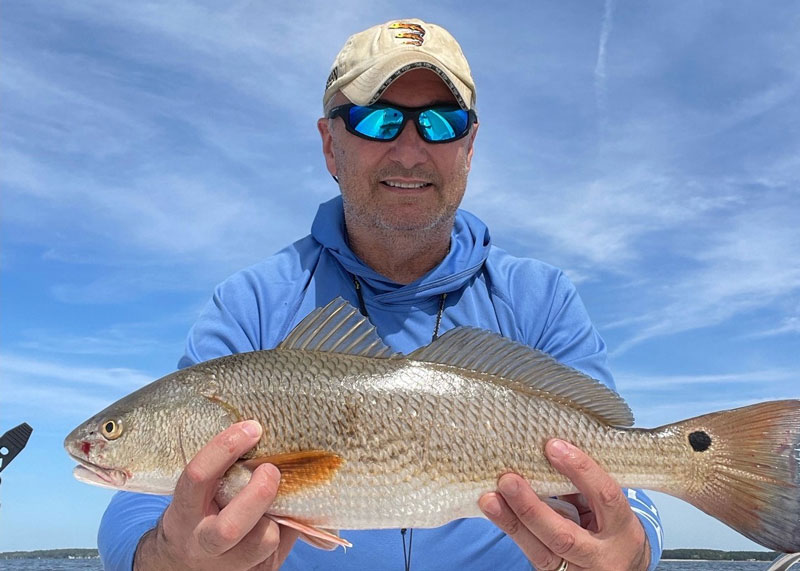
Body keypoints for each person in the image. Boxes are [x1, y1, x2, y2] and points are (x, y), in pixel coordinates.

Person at [98, 18, 663, 571]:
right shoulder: (251, 304)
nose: (411, 151)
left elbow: (620, 480)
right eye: (378, 120)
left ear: (470, 146)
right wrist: (169, 560)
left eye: (442, 123)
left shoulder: (541, 299)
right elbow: (143, 506)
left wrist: (629, 555)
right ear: (329, 144)